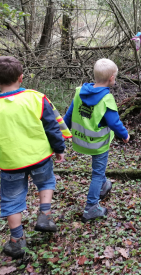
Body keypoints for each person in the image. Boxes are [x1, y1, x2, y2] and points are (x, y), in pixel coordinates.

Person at [0, 56, 69, 258]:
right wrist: (59, 149)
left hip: (9, 163)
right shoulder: (36, 98)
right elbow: (52, 127)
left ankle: (16, 240)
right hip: (39, 157)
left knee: (11, 199)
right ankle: (45, 216)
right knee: (47, 181)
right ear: (21, 78)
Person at [64, 59, 130, 222]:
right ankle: (91, 207)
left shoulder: (80, 92)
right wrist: (125, 135)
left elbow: (69, 115)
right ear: (111, 78)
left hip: (80, 141)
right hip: (98, 144)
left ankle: (104, 185)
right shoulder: (106, 99)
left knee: (98, 173)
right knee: (97, 173)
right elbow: (114, 122)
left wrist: (62, 131)